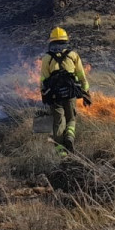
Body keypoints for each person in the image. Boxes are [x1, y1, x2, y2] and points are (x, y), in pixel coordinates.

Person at [40, 27, 91, 156]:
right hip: (70, 93)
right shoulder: (73, 55)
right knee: (71, 119)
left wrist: (44, 95)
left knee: (58, 122)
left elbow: (43, 79)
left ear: (51, 42)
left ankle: (61, 154)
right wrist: (86, 92)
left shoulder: (47, 58)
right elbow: (82, 76)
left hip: (54, 95)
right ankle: (69, 136)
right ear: (65, 41)